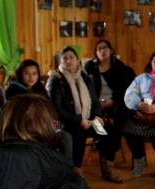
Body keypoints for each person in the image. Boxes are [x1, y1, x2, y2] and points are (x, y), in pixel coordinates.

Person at [46, 46, 121, 181]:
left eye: (71, 57)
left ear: (78, 61)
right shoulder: (56, 80)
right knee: (78, 133)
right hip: (67, 123)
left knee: (108, 131)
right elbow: (56, 109)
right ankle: (77, 173)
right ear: (60, 62)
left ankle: (108, 169)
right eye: (65, 58)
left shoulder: (85, 77)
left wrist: (97, 116)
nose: (69, 61)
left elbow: (95, 102)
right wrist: (79, 120)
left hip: (89, 121)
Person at [84, 39, 137, 183]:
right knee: (105, 133)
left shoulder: (119, 67)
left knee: (115, 126)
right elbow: (86, 93)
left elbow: (127, 88)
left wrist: (112, 100)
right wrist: (98, 105)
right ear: (96, 52)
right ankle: (107, 169)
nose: (102, 51)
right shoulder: (89, 67)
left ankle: (107, 168)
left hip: (115, 105)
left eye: (105, 47)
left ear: (111, 50)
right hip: (94, 111)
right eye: (99, 48)